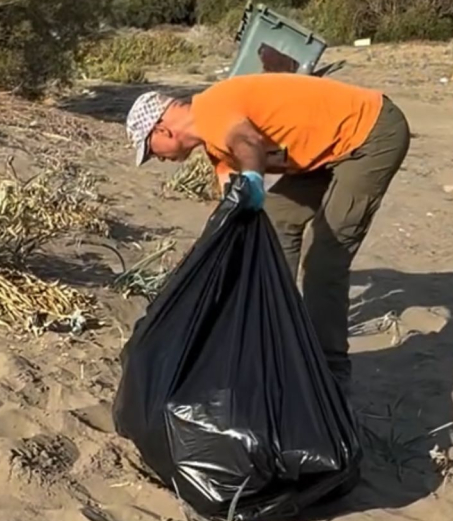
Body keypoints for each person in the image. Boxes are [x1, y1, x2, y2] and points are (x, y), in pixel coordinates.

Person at [125, 73, 411, 393]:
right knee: (275, 223)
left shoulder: (212, 113)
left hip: (371, 134)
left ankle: (329, 371)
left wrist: (253, 180)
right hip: (321, 151)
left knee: (324, 259)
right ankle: (274, 326)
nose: (159, 159)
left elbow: (249, 143)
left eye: (152, 151)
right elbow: (226, 220)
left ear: (163, 129)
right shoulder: (216, 147)